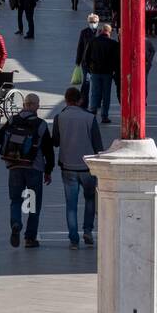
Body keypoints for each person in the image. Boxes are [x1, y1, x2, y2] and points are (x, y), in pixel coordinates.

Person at [0, 92, 54, 248]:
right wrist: (49, 170)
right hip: (34, 168)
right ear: (36, 106)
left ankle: (16, 223)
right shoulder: (41, 124)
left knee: (15, 200)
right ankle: (30, 237)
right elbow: (48, 150)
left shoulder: (13, 120)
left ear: (24, 105)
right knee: (33, 203)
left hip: (14, 166)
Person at [52, 86, 103, 248]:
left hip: (68, 167)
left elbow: (55, 141)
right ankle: (87, 230)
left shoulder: (59, 117)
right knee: (89, 199)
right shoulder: (90, 118)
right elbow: (98, 145)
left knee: (71, 204)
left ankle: (73, 239)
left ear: (66, 99)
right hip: (88, 167)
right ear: (80, 100)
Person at [85, 22, 119, 125]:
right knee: (106, 95)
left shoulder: (93, 41)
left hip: (95, 71)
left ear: (100, 31)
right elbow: (116, 60)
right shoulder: (113, 44)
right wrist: (114, 71)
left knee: (95, 92)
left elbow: (86, 56)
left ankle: (93, 112)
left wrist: (89, 68)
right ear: (109, 32)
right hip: (107, 72)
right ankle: (104, 116)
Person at [75, 14, 100, 108]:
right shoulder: (84, 32)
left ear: (98, 22)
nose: (92, 24)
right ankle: (83, 102)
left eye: (94, 22)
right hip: (86, 62)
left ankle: (96, 103)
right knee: (86, 82)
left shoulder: (100, 32)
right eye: (91, 22)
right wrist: (78, 61)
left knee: (97, 84)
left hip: (97, 63)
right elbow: (80, 47)